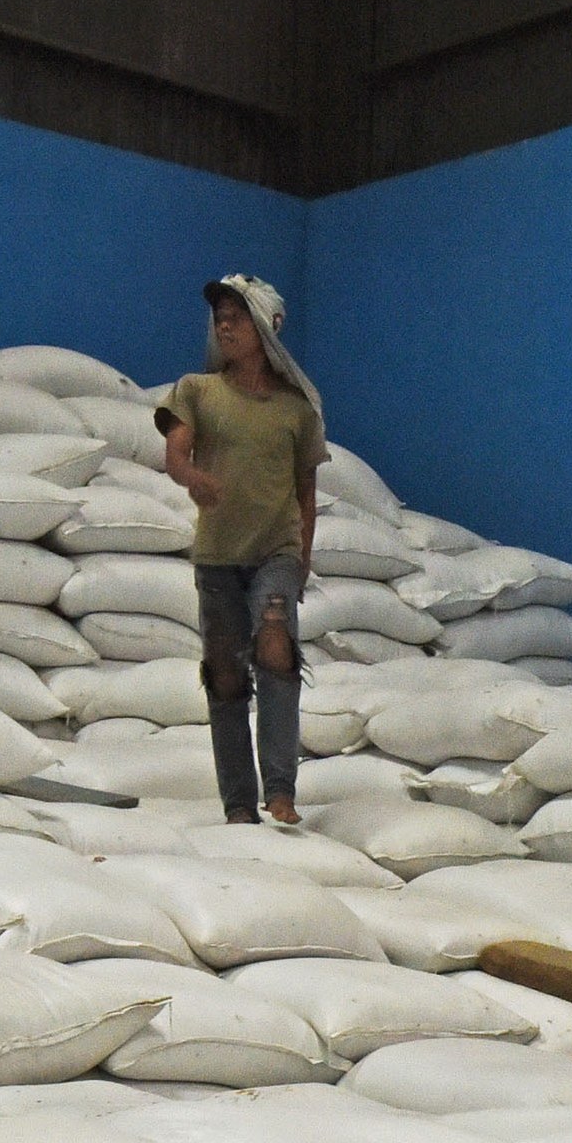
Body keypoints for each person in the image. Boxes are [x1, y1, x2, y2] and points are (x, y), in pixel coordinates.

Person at [159, 274, 324, 828]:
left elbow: (306, 490)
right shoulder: (196, 391)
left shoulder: (297, 411)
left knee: (276, 646)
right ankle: (237, 804)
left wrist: (303, 558)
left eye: (237, 315)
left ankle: (280, 790)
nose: (224, 324)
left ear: (268, 328)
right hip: (217, 559)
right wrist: (192, 478)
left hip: (275, 550)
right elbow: (175, 453)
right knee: (226, 676)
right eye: (220, 316)